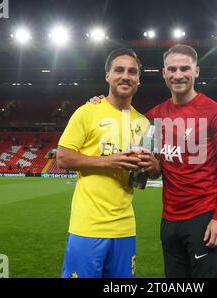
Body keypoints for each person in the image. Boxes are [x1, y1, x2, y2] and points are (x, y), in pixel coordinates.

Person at [90, 45, 217, 278]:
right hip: (169, 220)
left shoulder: (215, 113)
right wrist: (101, 102)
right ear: (163, 73)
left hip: (203, 217)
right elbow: (152, 165)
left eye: (184, 68)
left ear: (196, 71)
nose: (178, 75)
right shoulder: (155, 116)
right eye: (172, 69)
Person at [56, 48, 160, 278]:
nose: (126, 76)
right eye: (119, 70)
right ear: (107, 76)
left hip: (125, 227)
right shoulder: (87, 112)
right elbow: (62, 157)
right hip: (88, 225)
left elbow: (146, 177)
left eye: (132, 72)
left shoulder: (144, 124)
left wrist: (154, 167)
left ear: (138, 79)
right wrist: (108, 162)